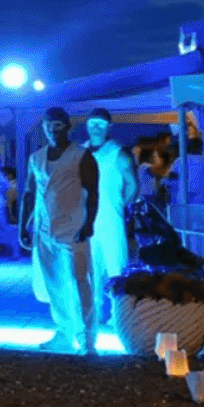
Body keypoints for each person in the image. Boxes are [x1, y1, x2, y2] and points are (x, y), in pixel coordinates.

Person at [23, 107, 100, 354]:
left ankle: (87, 337)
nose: (52, 131)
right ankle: (64, 332)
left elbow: (93, 193)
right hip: (44, 229)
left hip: (73, 227)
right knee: (54, 284)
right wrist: (23, 226)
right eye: (48, 126)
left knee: (79, 282)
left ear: (67, 127)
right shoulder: (36, 158)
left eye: (57, 126)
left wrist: (89, 224)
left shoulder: (82, 156)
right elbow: (29, 193)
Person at [82, 108, 137, 326]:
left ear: (109, 127)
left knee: (116, 266)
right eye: (92, 123)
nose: (96, 127)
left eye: (101, 124)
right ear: (87, 125)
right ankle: (95, 312)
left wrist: (121, 206)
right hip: (86, 220)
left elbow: (132, 184)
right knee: (90, 268)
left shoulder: (118, 153)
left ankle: (119, 315)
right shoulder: (80, 152)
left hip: (111, 219)